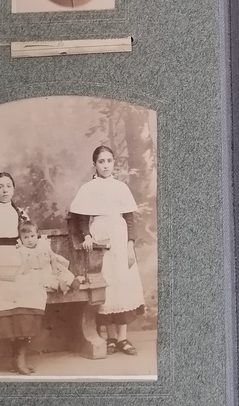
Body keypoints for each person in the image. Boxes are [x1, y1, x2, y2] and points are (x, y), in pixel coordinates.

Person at [69, 145, 145, 355]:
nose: (105, 165)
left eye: (109, 161)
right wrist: (87, 236)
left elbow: (129, 219)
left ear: (114, 163)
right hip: (100, 237)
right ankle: (110, 337)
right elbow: (82, 218)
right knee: (107, 285)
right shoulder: (88, 189)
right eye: (101, 161)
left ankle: (123, 338)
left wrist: (130, 245)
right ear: (94, 164)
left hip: (120, 237)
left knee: (123, 284)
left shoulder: (121, 187)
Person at [0, 172, 47, 375]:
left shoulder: (21, 215)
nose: (5, 190)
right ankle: (15, 356)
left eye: (8, 186)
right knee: (1, 293)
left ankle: (20, 356)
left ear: (13, 189)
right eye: (0, 187)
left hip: (19, 262)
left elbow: (32, 243)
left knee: (32, 291)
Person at [16, 221, 84, 294]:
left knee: (61, 274)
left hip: (49, 267)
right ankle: (59, 286)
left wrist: (54, 269)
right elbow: (25, 266)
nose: (30, 240)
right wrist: (27, 276)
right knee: (46, 281)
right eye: (25, 237)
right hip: (36, 272)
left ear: (37, 234)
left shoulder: (42, 244)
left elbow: (52, 256)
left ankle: (73, 283)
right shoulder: (23, 250)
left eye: (32, 236)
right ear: (21, 239)